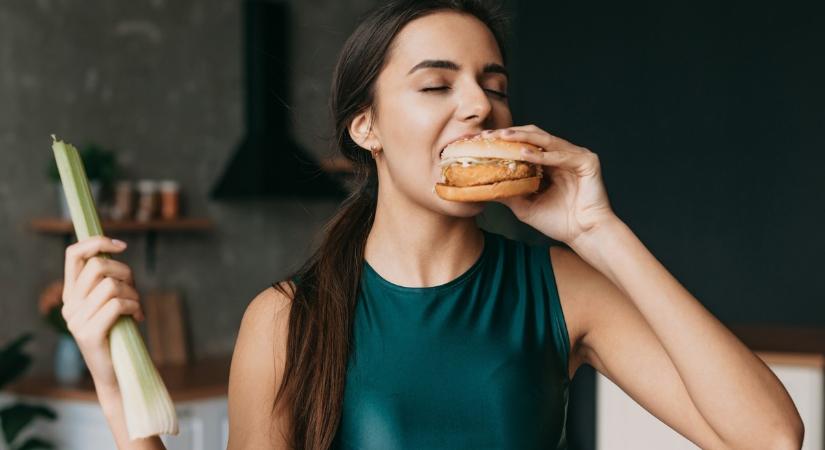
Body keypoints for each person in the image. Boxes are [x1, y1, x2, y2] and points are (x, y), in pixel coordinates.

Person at [60, 0, 804, 449]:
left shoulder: (560, 288)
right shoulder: (290, 319)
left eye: (494, 85)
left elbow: (769, 437)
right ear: (366, 128)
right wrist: (117, 388)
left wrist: (595, 228)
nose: (479, 106)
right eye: (436, 84)